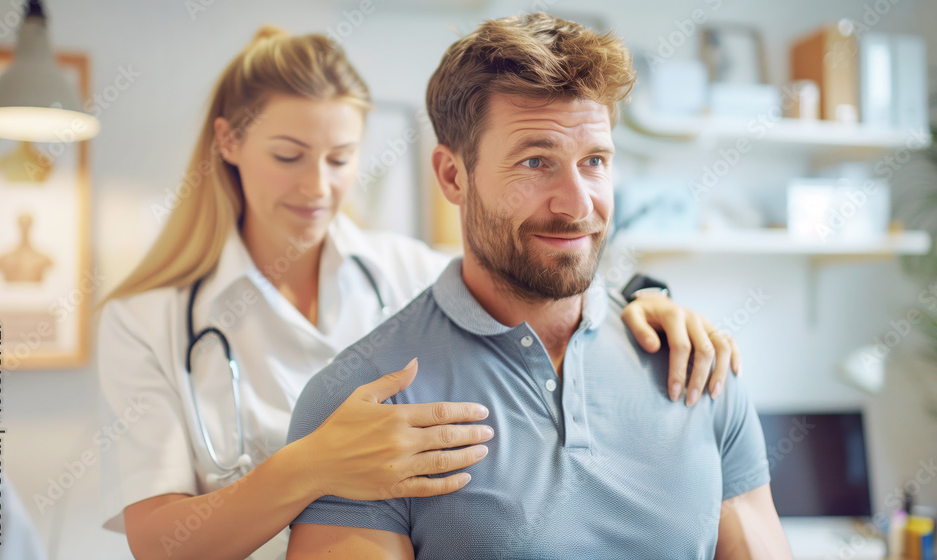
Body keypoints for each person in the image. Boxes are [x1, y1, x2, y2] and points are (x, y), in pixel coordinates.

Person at [97, 25, 742, 560]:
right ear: (230, 143)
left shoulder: (402, 270)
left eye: (341, 157)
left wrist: (649, 301)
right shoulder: (149, 319)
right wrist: (312, 465)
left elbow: (535, 265)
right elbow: (160, 541)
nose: (318, 186)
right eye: (290, 156)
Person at [285, 13, 792, 559]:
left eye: (594, 161)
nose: (577, 204)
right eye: (535, 161)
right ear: (453, 176)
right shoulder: (362, 407)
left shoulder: (697, 369)